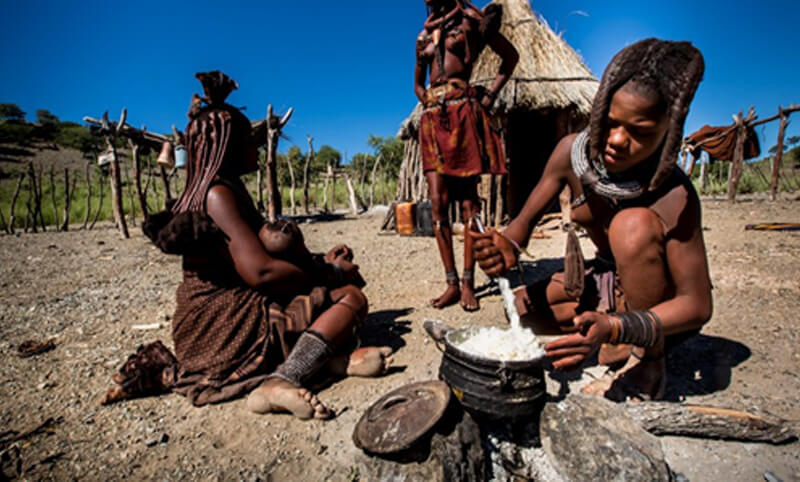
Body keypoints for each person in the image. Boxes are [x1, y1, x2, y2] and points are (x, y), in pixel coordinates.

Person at [102, 71, 391, 420]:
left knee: (325, 298)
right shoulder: (218, 195)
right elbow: (262, 273)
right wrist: (327, 272)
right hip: (228, 331)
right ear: (226, 146)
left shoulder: (218, 189)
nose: (255, 146)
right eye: (247, 139)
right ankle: (284, 378)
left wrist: (317, 261)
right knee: (351, 298)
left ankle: (329, 362)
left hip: (208, 329)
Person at [472, 39, 712, 401]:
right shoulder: (572, 152)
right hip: (604, 285)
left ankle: (647, 361)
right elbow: (519, 227)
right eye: (611, 123)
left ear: (669, 132)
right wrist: (502, 247)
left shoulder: (675, 195)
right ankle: (612, 338)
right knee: (523, 314)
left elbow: (697, 305)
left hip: (657, 305)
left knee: (630, 226)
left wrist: (620, 325)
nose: (617, 140)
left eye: (641, 132)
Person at [415, 0, 518, 311]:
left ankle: (468, 284)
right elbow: (417, 83)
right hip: (434, 119)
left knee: (469, 204)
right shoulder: (423, 36)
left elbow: (509, 57)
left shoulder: (472, 22)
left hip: (463, 115)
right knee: (437, 204)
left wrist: (488, 96)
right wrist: (430, 102)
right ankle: (451, 284)